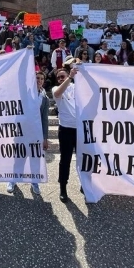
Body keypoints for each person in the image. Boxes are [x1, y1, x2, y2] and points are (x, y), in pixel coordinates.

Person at [7, 71, 49, 196]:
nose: (39, 80)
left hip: (36, 133)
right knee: (19, 157)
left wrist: (45, 137)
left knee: (34, 159)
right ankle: (13, 180)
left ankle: (34, 181)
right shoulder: (26, 93)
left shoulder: (45, 98)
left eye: (41, 78)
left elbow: (44, 118)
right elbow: (21, 82)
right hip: (23, 131)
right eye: (37, 78)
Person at [52, 65, 79, 203]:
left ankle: (85, 184)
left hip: (80, 129)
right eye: (59, 77)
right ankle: (63, 187)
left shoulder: (76, 86)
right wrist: (69, 77)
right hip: (66, 129)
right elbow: (57, 94)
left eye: (63, 76)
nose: (61, 78)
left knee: (82, 159)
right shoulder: (56, 89)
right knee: (65, 161)